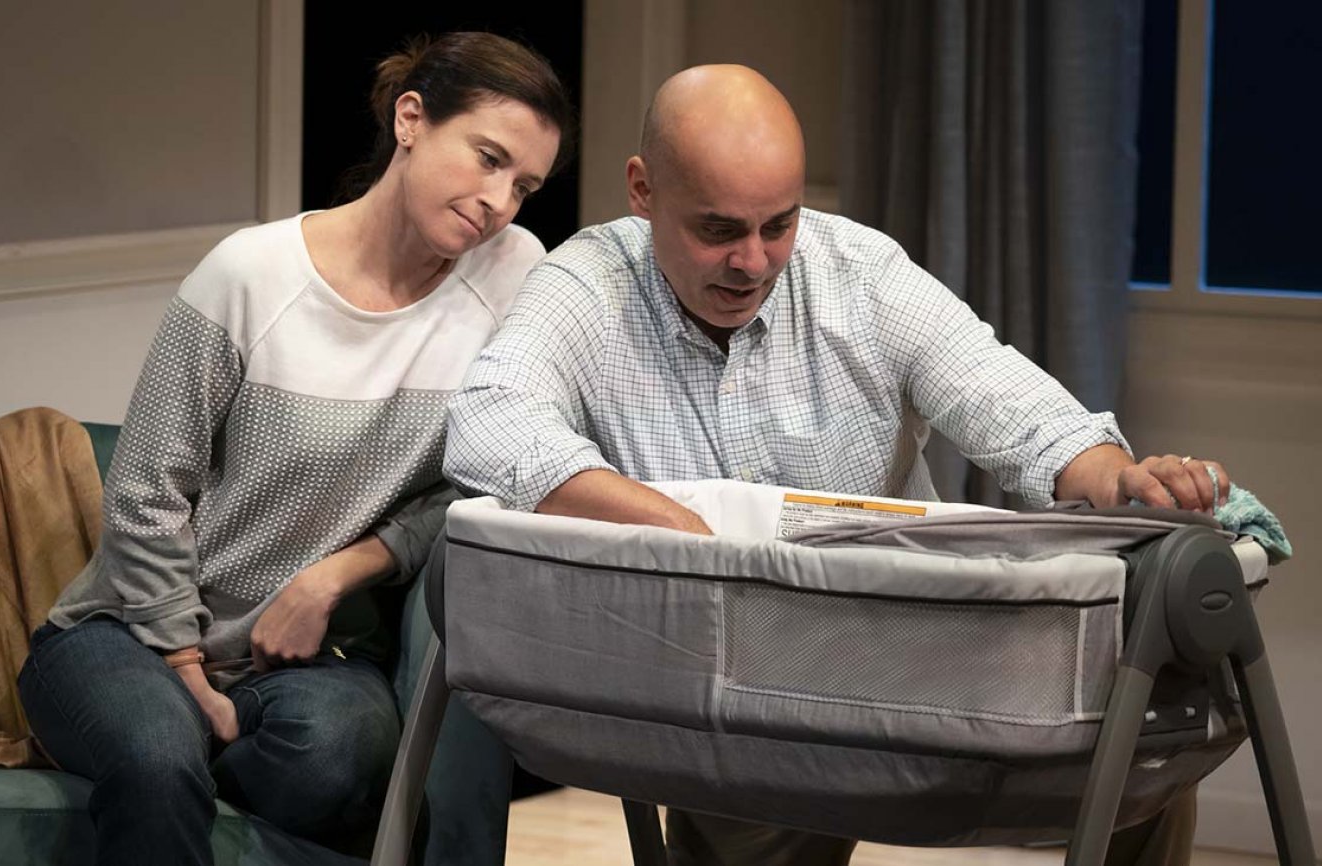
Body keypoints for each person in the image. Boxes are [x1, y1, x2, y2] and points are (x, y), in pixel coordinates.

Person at [444, 64, 1224, 866]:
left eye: (778, 223)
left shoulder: (860, 271)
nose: (753, 262)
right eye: (717, 230)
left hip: (909, 662)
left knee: (1142, 762)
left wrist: (1116, 479)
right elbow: (490, 420)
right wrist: (682, 533)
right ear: (643, 191)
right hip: (731, 703)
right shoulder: (588, 281)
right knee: (744, 819)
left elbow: (1015, 408)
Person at [17, 32, 573, 866]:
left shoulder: (510, 276)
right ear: (411, 119)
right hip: (130, 632)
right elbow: (144, 490)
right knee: (158, 757)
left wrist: (339, 573)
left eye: (524, 185)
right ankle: (162, 767)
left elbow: (482, 485)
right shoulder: (249, 275)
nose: (500, 201)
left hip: (321, 658)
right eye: (487, 158)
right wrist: (185, 666)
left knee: (340, 755)